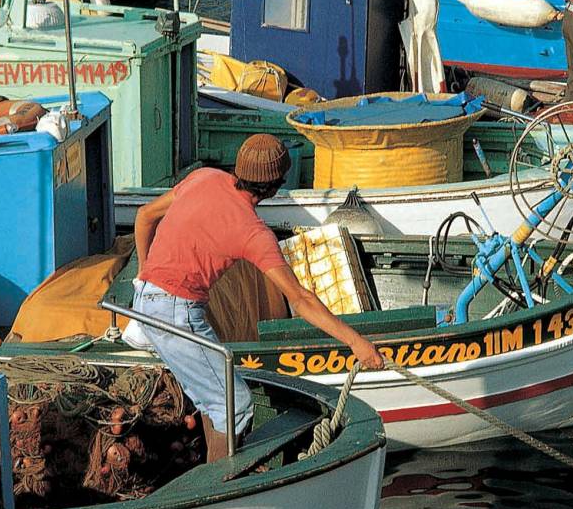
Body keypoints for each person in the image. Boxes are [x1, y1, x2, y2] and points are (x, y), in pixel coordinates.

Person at [131, 133, 385, 463]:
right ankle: (217, 490)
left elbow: (144, 216)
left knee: (216, 401)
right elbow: (301, 299)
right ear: (276, 185)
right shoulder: (253, 233)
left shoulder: (203, 177)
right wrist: (356, 341)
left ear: (238, 167)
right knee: (235, 407)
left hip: (146, 301)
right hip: (176, 313)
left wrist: (142, 276)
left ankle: (215, 469)